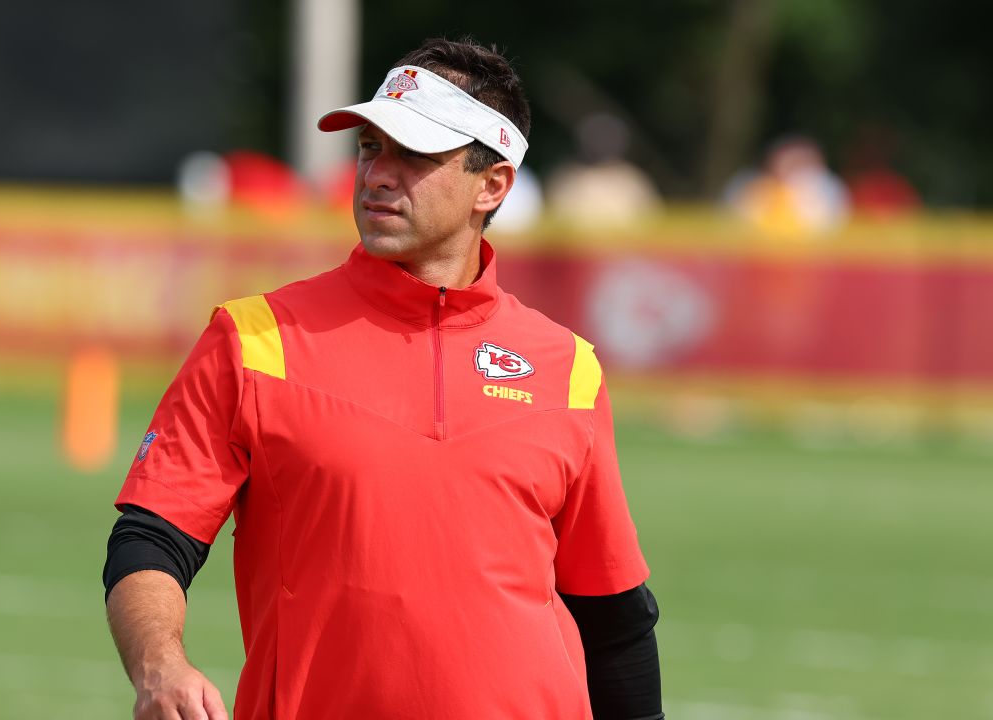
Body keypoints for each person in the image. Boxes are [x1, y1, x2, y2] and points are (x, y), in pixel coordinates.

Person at [104, 37, 662, 720]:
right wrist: (159, 665)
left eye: (416, 154)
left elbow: (612, 615)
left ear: (494, 185)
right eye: (370, 147)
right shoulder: (254, 339)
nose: (376, 175)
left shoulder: (567, 366)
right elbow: (151, 535)